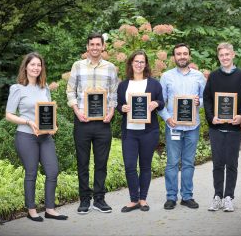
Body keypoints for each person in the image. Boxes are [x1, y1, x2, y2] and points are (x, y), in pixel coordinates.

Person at [6, 52, 68, 222]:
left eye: (38, 65)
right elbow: (9, 115)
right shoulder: (17, 88)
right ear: (25, 66)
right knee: (31, 172)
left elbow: (48, 110)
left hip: (45, 136)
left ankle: (50, 209)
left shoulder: (44, 87)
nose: (35, 68)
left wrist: (54, 124)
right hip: (26, 136)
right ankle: (31, 209)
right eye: (32, 64)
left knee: (52, 170)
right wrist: (28, 122)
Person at [66, 33, 119, 214]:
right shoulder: (77, 66)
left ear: (103, 47)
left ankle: (99, 199)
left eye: (98, 44)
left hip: (103, 123)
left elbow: (114, 93)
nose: (95, 47)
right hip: (82, 122)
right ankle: (84, 200)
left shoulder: (111, 68)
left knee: (101, 163)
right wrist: (77, 111)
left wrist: (111, 112)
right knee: (82, 163)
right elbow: (70, 91)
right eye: (92, 44)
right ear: (87, 47)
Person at [159, 43, 206, 210]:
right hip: (173, 126)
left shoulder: (199, 76)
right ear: (174, 57)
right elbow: (159, 102)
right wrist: (167, 118)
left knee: (188, 162)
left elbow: (205, 99)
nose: (182, 56)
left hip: (192, 127)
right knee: (172, 162)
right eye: (178, 54)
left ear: (189, 55)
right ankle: (171, 197)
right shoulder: (166, 77)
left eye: (185, 53)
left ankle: (187, 196)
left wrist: (198, 102)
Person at [203, 42, 241, 212]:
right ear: (218, 57)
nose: (224, 57)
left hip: (234, 128)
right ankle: (217, 196)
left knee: (231, 163)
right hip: (216, 127)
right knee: (217, 163)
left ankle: (229, 196)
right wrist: (211, 117)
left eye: (227, 54)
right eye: (221, 55)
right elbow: (207, 98)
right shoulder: (214, 76)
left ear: (233, 55)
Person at [116, 50, 164, 212]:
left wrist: (155, 104)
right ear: (131, 64)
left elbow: (162, 102)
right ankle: (133, 199)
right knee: (130, 166)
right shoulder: (123, 85)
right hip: (129, 131)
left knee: (145, 166)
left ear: (146, 64)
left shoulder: (154, 84)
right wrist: (122, 107)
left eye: (142, 62)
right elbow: (118, 105)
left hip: (148, 132)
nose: (139, 64)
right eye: (136, 61)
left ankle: (143, 199)